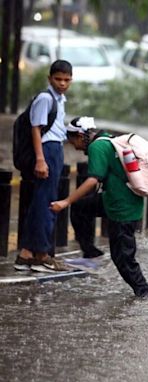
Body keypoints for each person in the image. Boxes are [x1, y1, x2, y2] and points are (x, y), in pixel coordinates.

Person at [49, 116, 148, 298]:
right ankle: (91, 255)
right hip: (113, 201)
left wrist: (65, 201)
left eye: (72, 141)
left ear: (80, 136)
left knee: (123, 259)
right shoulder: (108, 140)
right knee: (81, 208)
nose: (73, 146)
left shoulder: (97, 147)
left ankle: (146, 295)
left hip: (122, 209)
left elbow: (92, 180)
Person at [14, 60, 73, 273]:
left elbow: (57, 129)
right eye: (58, 79)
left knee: (43, 200)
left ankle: (27, 254)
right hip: (46, 150)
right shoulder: (45, 98)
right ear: (50, 79)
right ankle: (41, 254)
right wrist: (40, 159)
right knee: (44, 202)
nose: (62, 83)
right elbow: (36, 130)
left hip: (55, 149)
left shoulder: (60, 100)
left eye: (67, 80)